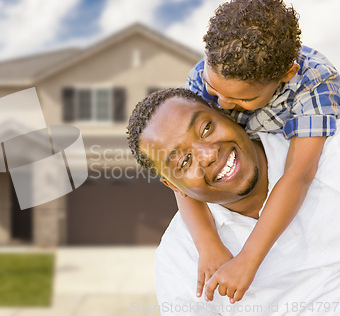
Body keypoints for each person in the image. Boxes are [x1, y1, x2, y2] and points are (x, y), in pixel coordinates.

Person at [180, 0, 340, 302]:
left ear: (286, 75)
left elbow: (299, 173)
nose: (222, 104)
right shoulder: (201, 76)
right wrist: (207, 243)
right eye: (215, 90)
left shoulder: (315, 81)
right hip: (241, 170)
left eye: (243, 99)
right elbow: (180, 172)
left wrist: (248, 260)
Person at [127, 88, 340, 315]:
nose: (208, 154)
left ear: (227, 114)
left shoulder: (328, 153)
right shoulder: (179, 258)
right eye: (184, 161)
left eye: (206, 129)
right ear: (173, 187)